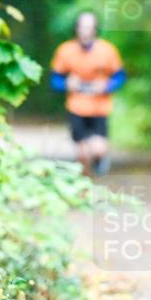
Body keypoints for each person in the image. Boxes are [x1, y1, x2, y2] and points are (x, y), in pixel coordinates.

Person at [50, 11, 126, 176]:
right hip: (76, 106)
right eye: (82, 27)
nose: (85, 31)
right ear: (76, 29)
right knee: (83, 154)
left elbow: (120, 77)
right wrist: (66, 84)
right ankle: (86, 183)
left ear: (95, 29)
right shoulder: (65, 51)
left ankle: (100, 158)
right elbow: (54, 80)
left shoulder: (107, 50)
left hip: (100, 107)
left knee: (98, 149)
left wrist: (107, 86)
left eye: (89, 27)